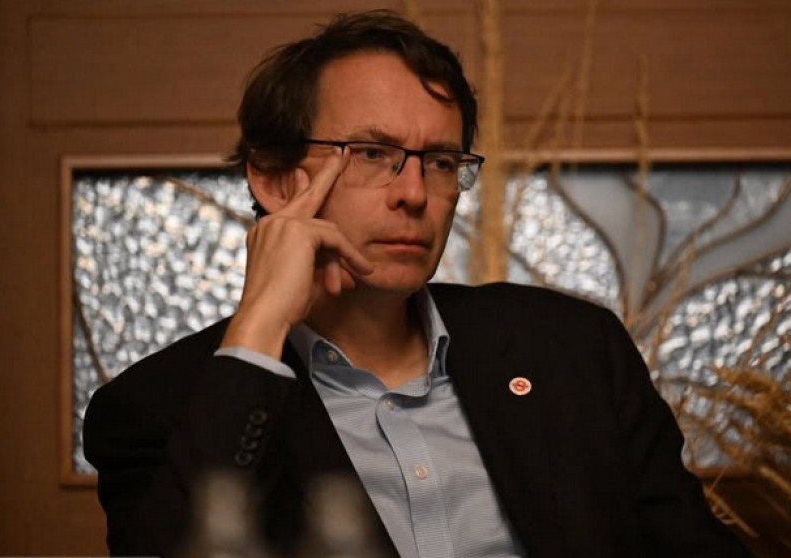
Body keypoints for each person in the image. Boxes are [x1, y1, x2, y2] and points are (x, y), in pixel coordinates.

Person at [83, 10, 751, 558]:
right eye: (373, 154)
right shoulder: (155, 407)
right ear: (276, 178)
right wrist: (259, 327)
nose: (413, 193)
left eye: (439, 161)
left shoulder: (573, 349)